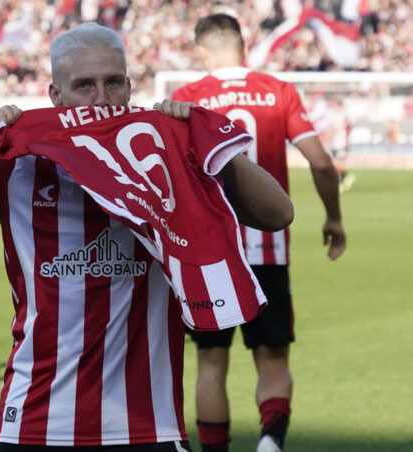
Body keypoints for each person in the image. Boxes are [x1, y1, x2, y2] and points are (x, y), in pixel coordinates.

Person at [0, 22, 293, 451]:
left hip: (148, 425)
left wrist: (203, 142)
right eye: (84, 86)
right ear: (55, 96)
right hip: (34, 421)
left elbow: (277, 213)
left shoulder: (164, 151)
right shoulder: (18, 163)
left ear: (130, 87)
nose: (101, 100)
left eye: (113, 83)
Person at [171, 13, 346, 452]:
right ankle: (269, 442)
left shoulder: (188, 97)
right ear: (243, 47)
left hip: (209, 254)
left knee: (211, 361)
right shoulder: (278, 90)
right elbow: (321, 162)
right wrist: (333, 218)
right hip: (266, 249)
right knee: (272, 358)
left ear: (201, 50)